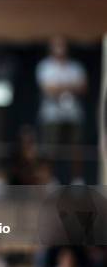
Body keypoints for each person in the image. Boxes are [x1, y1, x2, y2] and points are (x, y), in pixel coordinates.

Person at [36, 35, 87, 184]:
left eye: (62, 45)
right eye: (56, 45)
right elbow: (48, 89)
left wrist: (60, 86)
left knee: (75, 148)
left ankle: (77, 180)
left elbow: (83, 87)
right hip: (51, 115)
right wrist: (70, 85)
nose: (60, 49)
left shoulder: (75, 67)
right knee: (50, 149)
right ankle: (50, 180)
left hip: (73, 114)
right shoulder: (45, 66)